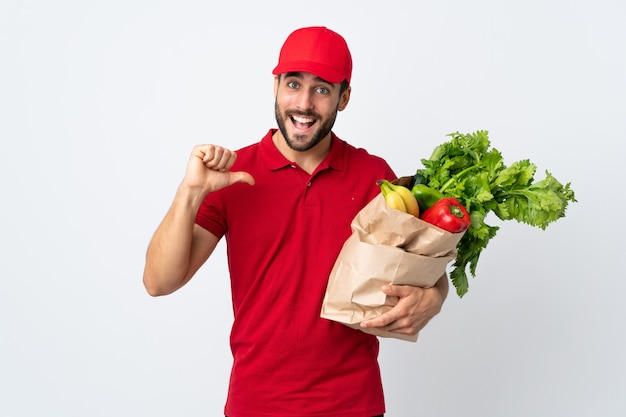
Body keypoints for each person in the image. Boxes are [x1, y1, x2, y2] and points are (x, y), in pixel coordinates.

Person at [143, 26, 449, 417]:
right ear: (275, 86)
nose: (303, 103)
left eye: (322, 89)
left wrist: (434, 298)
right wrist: (190, 192)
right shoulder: (232, 174)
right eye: (293, 84)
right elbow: (159, 282)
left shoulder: (376, 177)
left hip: (353, 404)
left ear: (344, 98)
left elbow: (420, 265)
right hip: (256, 403)